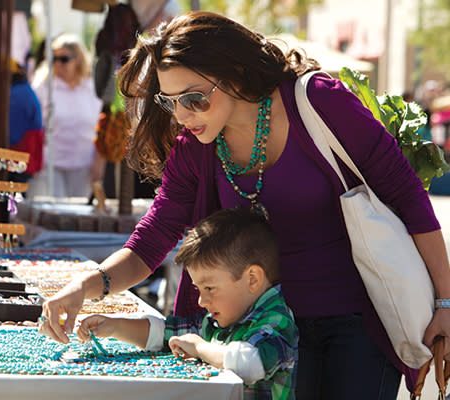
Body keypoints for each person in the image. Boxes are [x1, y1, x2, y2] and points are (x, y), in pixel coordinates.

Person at [39, 12, 450, 399]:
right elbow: (152, 238)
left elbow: (408, 197)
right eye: (171, 101)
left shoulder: (319, 103)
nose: (182, 115)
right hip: (267, 332)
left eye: (194, 98)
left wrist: (445, 303)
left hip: (361, 325)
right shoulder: (194, 146)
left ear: (234, 74)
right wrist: (84, 288)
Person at [78, 208, 298, 399]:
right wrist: (116, 327)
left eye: (210, 288)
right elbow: (166, 333)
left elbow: (251, 363)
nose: (202, 301)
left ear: (252, 279)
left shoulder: (276, 319)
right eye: (198, 290)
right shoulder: (221, 318)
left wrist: (200, 348)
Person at [31, 33, 103, 197]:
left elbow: (101, 125)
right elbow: (35, 124)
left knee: (78, 214)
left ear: (78, 59)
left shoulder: (92, 88)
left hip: (84, 164)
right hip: (51, 163)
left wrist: (100, 161)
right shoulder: (43, 86)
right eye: (53, 59)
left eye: (63, 59)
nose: (58, 64)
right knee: (55, 212)